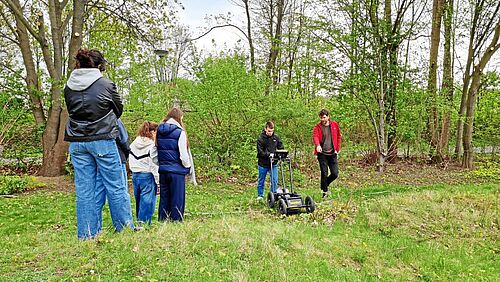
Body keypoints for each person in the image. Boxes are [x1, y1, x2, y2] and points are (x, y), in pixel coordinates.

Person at [64, 48, 134, 239]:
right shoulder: (105, 84)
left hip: (77, 142)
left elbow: (72, 111)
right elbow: (118, 110)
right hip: (102, 140)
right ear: (100, 65)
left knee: (85, 190)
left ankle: (87, 235)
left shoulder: (68, 86)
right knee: (115, 186)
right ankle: (125, 230)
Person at [155, 108, 191, 222]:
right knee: (177, 197)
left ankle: (163, 220)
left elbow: (154, 150)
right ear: (179, 118)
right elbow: (183, 154)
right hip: (176, 171)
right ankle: (176, 221)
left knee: (164, 197)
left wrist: (160, 164)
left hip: (163, 170)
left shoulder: (159, 131)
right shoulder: (180, 132)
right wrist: (187, 166)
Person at [96, 118, 131, 233]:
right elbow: (123, 139)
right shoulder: (112, 117)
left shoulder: (86, 118)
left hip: (96, 159)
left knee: (96, 194)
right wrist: (126, 154)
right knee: (118, 191)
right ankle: (123, 227)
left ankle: (93, 228)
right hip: (116, 158)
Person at [129, 121, 159, 225]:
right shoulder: (151, 146)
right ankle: (144, 224)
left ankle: (139, 221)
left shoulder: (134, 143)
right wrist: (158, 181)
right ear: (153, 132)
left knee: (138, 200)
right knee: (147, 202)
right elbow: (153, 165)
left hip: (135, 174)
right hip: (147, 175)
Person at [313, 109, 341, 199]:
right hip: (322, 154)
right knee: (324, 173)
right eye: (321, 118)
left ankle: (324, 185)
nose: (323, 119)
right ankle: (325, 193)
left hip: (332, 153)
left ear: (328, 117)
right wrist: (317, 145)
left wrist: (337, 149)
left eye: (324, 117)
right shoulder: (317, 127)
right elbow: (315, 137)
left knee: (335, 174)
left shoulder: (334, 125)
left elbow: (338, 137)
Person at [256, 121, 284, 200]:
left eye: (272, 131)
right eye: (269, 131)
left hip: (273, 163)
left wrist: (282, 155)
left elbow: (281, 147)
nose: (270, 133)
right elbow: (260, 152)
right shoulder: (260, 139)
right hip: (263, 163)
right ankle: (260, 196)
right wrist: (269, 154)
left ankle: (272, 196)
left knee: (274, 180)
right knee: (261, 180)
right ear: (265, 129)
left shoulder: (276, 138)